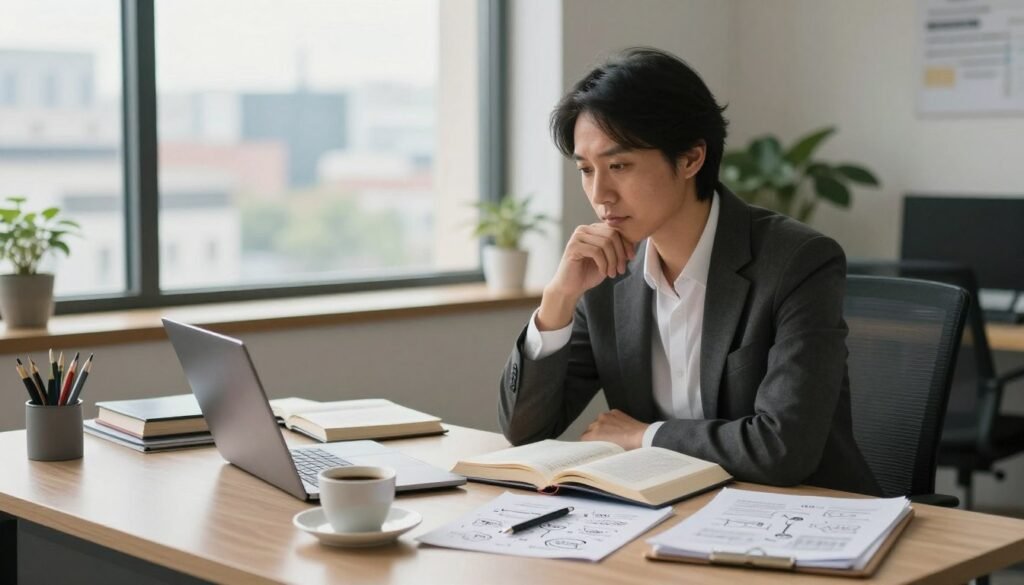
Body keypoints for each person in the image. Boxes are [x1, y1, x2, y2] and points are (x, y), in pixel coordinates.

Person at [497, 47, 879, 495]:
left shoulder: (797, 262)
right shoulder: (607, 275)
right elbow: (525, 429)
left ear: (691, 159)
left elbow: (783, 448)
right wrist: (558, 299)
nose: (600, 193)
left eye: (619, 165)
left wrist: (643, 436)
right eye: (586, 169)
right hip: (667, 512)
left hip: (801, 516)